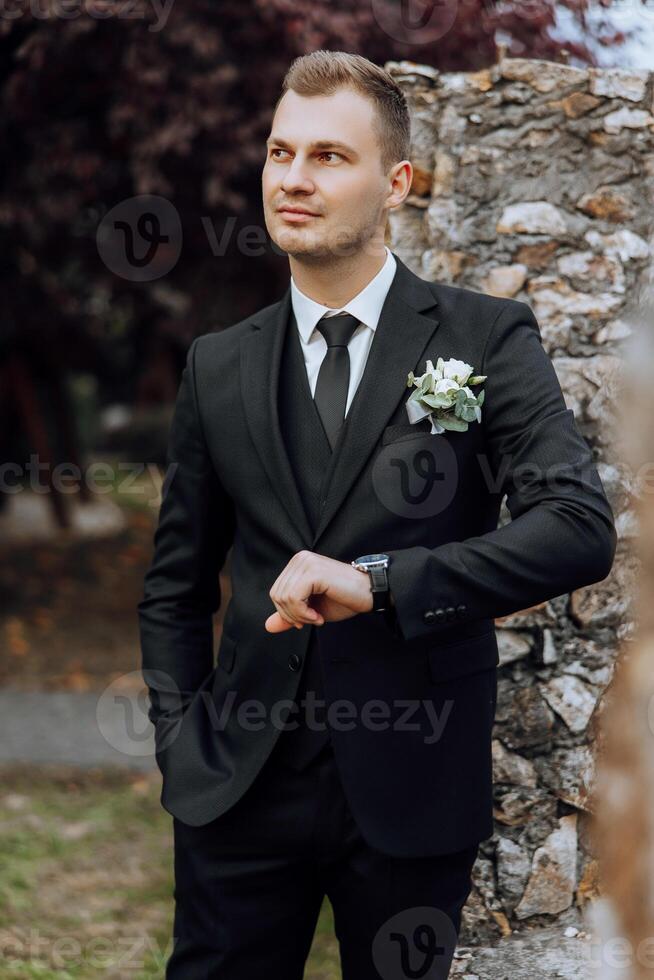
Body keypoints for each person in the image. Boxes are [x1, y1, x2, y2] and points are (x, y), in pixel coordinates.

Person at [138, 49, 617, 979]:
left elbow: (575, 527)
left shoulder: (485, 338)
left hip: (412, 785)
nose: (294, 180)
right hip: (235, 787)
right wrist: (179, 740)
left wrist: (381, 582)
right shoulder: (218, 365)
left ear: (395, 181)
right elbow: (174, 584)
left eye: (328, 157)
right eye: (280, 154)